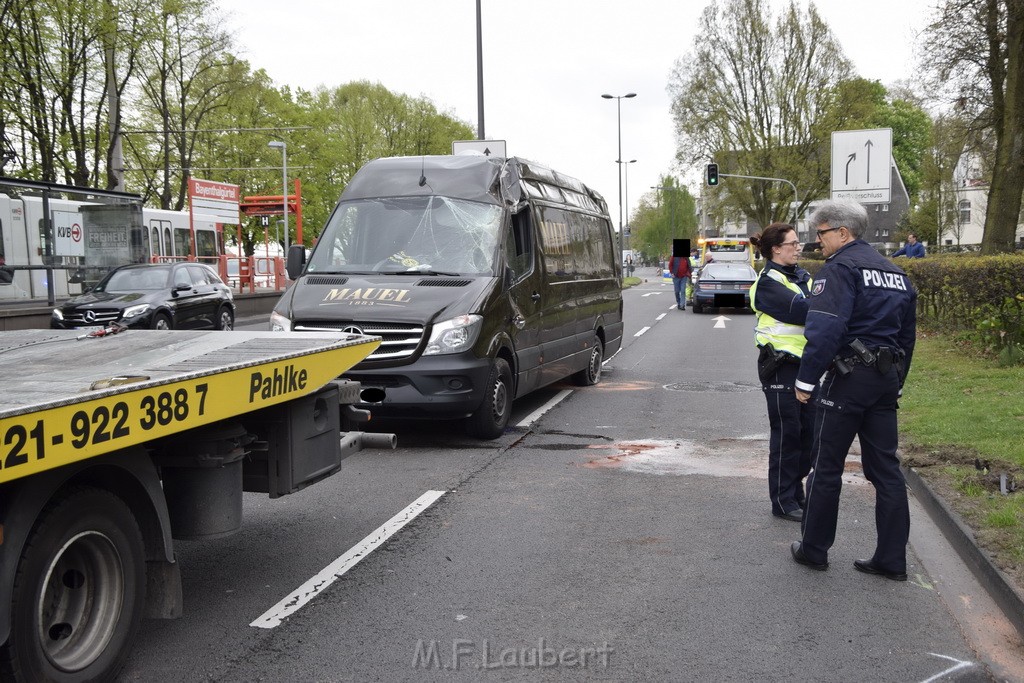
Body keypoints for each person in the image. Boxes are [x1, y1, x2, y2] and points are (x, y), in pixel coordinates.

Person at [789, 200, 917, 582]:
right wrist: (896, 382)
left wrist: (805, 380)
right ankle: (892, 560)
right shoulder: (896, 273)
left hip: (849, 379)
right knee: (886, 471)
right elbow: (907, 339)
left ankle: (814, 551)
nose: (818, 241)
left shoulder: (840, 268)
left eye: (822, 233)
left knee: (826, 466)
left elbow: (825, 328)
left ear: (842, 233)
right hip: (885, 379)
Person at [749, 224, 814, 522]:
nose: (799, 247)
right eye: (794, 243)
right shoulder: (767, 283)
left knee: (809, 435)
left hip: (809, 366)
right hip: (780, 367)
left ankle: (795, 490)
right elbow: (805, 312)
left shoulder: (802, 277)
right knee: (788, 435)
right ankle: (783, 500)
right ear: (776, 248)